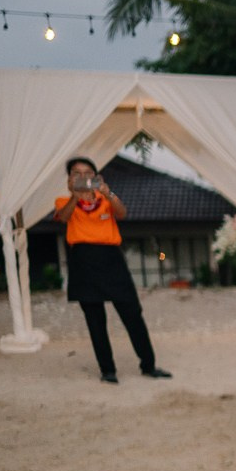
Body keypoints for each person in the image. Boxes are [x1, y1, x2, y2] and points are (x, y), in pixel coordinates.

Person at [54, 157, 169, 384]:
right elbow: (64, 217)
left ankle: (149, 365)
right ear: (69, 179)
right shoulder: (62, 201)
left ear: (96, 177)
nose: (83, 177)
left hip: (111, 259)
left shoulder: (105, 199)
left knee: (132, 313)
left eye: (88, 172)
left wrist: (108, 193)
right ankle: (108, 370)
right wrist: (75, 197)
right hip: (83, 260)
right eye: (76, 173)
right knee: (95, 320)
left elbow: (122, 213)